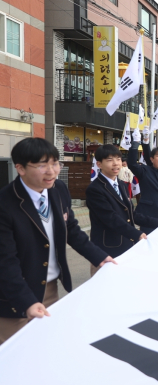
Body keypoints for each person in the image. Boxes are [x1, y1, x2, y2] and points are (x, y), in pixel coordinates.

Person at [0, 138, 115, 344]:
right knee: (13, 356)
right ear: (20, 168)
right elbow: (5, 261)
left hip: (50, 288)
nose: (51, 171)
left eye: (55, 163)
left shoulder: (58, 189)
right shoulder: (5, 204)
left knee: (45, 349)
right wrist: (26, 302)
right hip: (13, 298)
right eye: (42, 165)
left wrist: (100, 257)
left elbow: (71, 229)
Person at [86, 145, 158, 274]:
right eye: (110, 160)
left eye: (118, 159)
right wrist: (136, 234)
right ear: (99, 164)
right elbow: (111, 218)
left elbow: (131, 213)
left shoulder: (121, 184)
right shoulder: (95, 189)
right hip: (107, 248)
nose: (116, 163)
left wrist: (157, 222)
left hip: (126, 245)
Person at [128, 130, 158, 234]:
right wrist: (135, 144)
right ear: (152, 159)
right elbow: (131, 164)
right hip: (149, 218)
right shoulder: (145, 171)